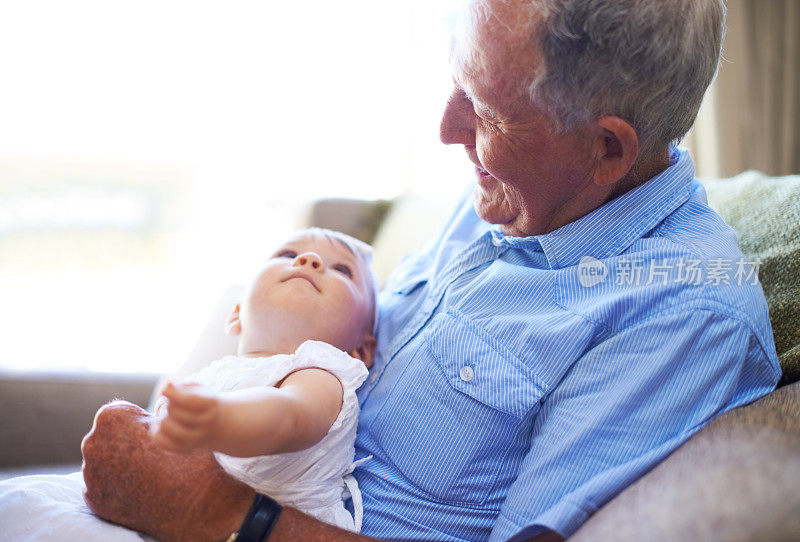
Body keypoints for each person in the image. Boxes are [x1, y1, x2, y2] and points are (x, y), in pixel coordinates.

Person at [80, 1, 781, 541]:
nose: (448, 130)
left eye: (486, 111)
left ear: (605, 148)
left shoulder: (681, 312)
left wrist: (212, 508)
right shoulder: (519, 197)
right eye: (458, 83)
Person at [0, 228, 379, 540]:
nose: (308, 261)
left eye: (342, 270)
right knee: (19, 505)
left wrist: (219, 420)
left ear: (361, 349)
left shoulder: (322, 372)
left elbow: (291, 417)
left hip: (237, 526)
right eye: (286, 254)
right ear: (236, 315)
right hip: (163, 517)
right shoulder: (212, 375)